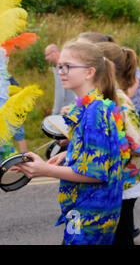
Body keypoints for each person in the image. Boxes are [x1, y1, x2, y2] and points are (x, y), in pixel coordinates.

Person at [16, 41, 124, 245]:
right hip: (83, 210)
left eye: (68, 66)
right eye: (59, 66)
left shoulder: (94, 112)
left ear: (89, 72)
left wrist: (43, 170)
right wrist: (69, 154)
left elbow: (95, 174)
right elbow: (97, 150)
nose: (61, 71)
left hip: (92, 216)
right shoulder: (86, 106)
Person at [97, 42, 140, 245]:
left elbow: (138, 144)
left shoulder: (121, 101)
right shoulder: (104, 98)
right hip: (111, 183)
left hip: (123, 184)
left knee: (122, 238)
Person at [44, 44, 76, 115]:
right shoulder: (66, 66)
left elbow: (60, 94)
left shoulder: (60, 68)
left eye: (47, 55)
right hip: (72, 109)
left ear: (54, 52)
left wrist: (54, 114)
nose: (46, 58)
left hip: (66, 112)